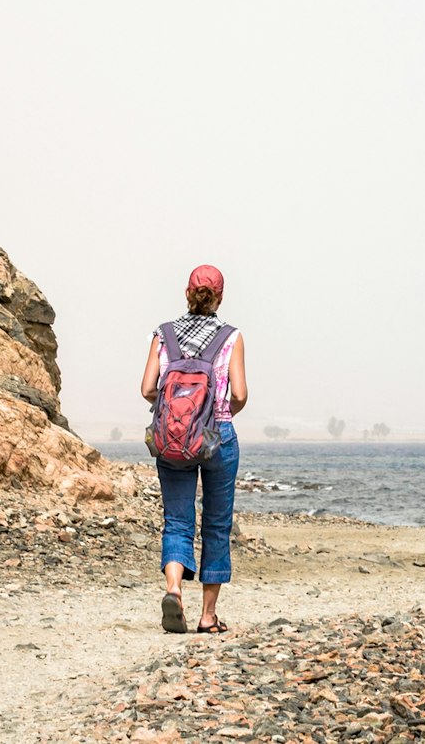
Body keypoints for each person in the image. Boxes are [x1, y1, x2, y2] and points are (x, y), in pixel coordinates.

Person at [140, 263, 248, 634]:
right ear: (220, 296)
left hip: (173, 439)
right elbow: (239, 394)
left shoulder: (163, 334)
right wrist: (216, 415)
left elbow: (147, 390)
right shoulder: (231, 336)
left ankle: (173, 589)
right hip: (218, 437)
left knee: (177, 521)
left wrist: (175, 414)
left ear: (186, 293)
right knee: (216, 524)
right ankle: (207, 616)